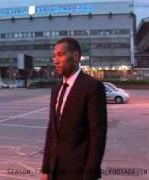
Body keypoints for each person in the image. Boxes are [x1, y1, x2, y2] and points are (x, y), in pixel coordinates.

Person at [40, 37, 107, 180]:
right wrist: (45, 169)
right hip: (54, 171)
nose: (55, 61)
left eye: (60, 55)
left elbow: (97, 138)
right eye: (53, 56)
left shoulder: (92, 87)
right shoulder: (56, 90)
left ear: (75, 56)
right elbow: (52, 132)